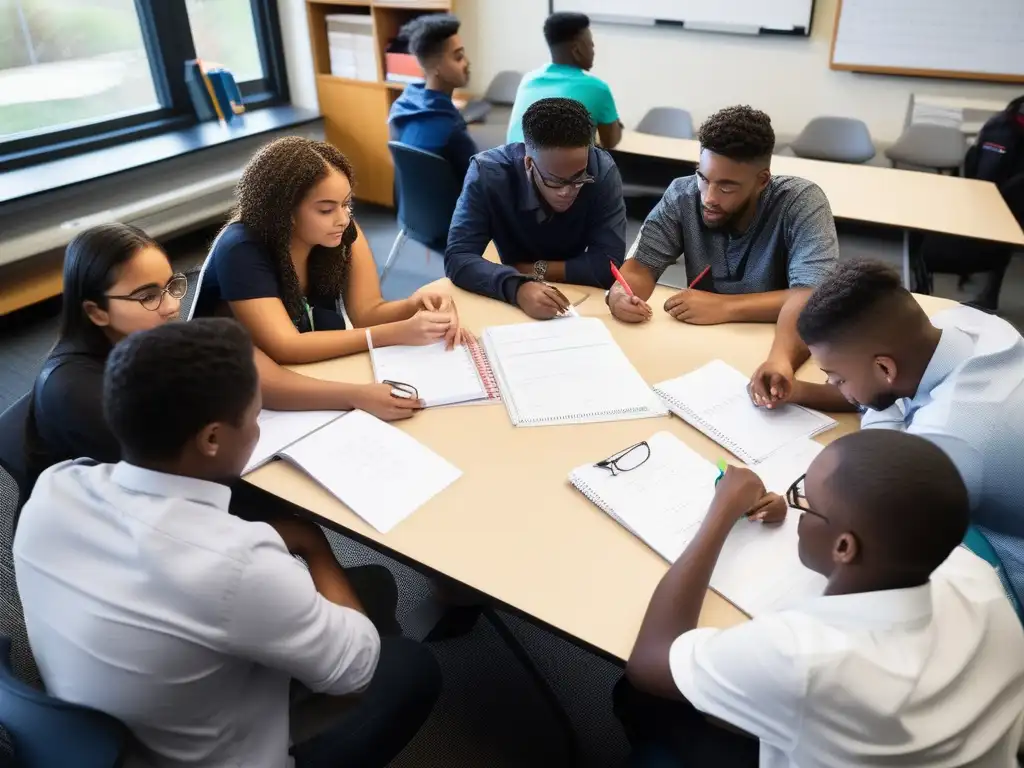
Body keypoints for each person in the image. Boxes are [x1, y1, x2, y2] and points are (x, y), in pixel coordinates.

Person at [15, 319, 441, 768]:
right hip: (208, 755)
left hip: (107, 730)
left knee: (373, 584)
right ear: (213, 438)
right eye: (256, 417)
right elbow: (357, 667)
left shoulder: (55, 488)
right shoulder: (236, 566)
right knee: (410, 665)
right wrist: (314, 546)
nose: (258, 430)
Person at [620, 429, 1024, 767]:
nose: (797, 509)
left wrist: (722, 512)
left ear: (845, 547)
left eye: (806, 502)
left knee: (635, 697)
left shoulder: (807, 656)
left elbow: (650, 664)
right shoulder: (975, 577)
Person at [24, 224, 423, 494]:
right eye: (148, 295)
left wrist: (356, 394)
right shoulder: (78, 391)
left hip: (167, 497)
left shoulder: (143, 336)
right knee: (296, 524)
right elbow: (177, 478)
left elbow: (253, 367)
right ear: (95, 312)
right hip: (117, 532)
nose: (169, 308)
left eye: (172, 287)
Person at [788, 259, 1024, 614]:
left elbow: (881, 465)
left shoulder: (951, 437)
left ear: (884, 368)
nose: (832, 386)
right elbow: (893, 401)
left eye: (837, 378)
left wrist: (878, 405)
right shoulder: (962, 324)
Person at [608, 106, 838, 399]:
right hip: (702, 352)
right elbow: (640, 267)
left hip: (779, 347)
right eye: (703, 178)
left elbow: (813, 296)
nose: (709, 197)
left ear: (762, 180)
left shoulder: (802, 203)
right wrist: (621, 295)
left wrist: (725, 306)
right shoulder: (682, 194)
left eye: (727, 187)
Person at [192, 136, 469, 364]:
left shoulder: (340, 232)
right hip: (229, 379)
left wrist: (414, 305)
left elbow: (367, 312)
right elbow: (286, 346)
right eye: (326, 209)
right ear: (285, 210)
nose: (343, 218)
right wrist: (394, 333)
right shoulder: (241, 249)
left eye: (346, 204)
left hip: (303, 368)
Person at [445, 97, 626, 319]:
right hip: (508, 301)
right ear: (529, 164)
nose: (567, 191)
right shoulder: (488, 173)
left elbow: (608, 265)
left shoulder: (602, 171)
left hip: (581, 300)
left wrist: (530, 270)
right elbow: (458, 257)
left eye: (579, 178)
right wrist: (518, 287)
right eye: (556, 181)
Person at [506, 12, 622, 150]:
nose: (593, 50)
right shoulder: (597, 88)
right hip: (559, 171)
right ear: (576, 50)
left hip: (511, 167)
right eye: (591, 44)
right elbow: (610, 142)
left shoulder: (528, 80)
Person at [388, 13, 477, 181]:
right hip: (453, 206)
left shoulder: (400, 107)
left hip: (412, 206)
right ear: (436, 67)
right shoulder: (452, 129)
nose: (466, 62)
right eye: (458, 57)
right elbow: (479, 181)